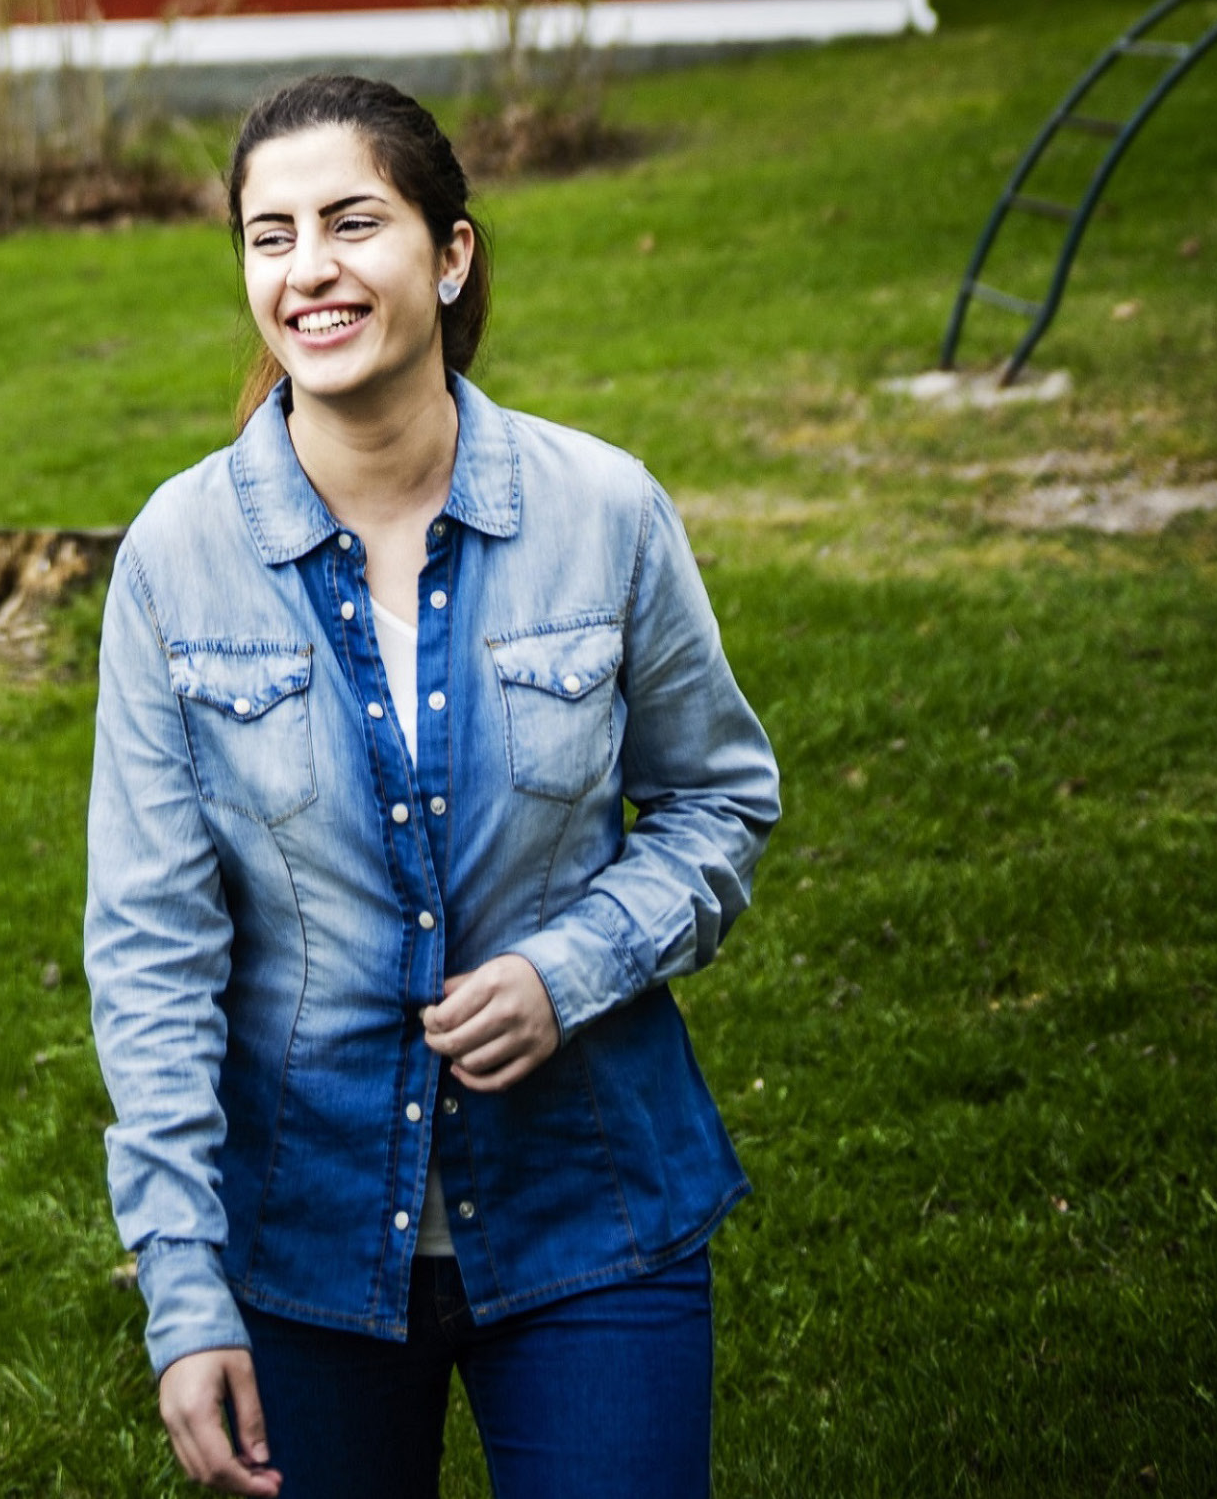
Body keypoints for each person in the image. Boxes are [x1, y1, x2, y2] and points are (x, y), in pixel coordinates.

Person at [85, 73, 780, 1499]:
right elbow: (151, 949)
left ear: (449, 253)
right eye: (269, 234)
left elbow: (720, 801)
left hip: (593, 1201)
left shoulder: (603, 510)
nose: (310, 267)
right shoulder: (178, 555)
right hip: (304, 1237)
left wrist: (568, 967)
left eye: (354, 220)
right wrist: (184, 1286)